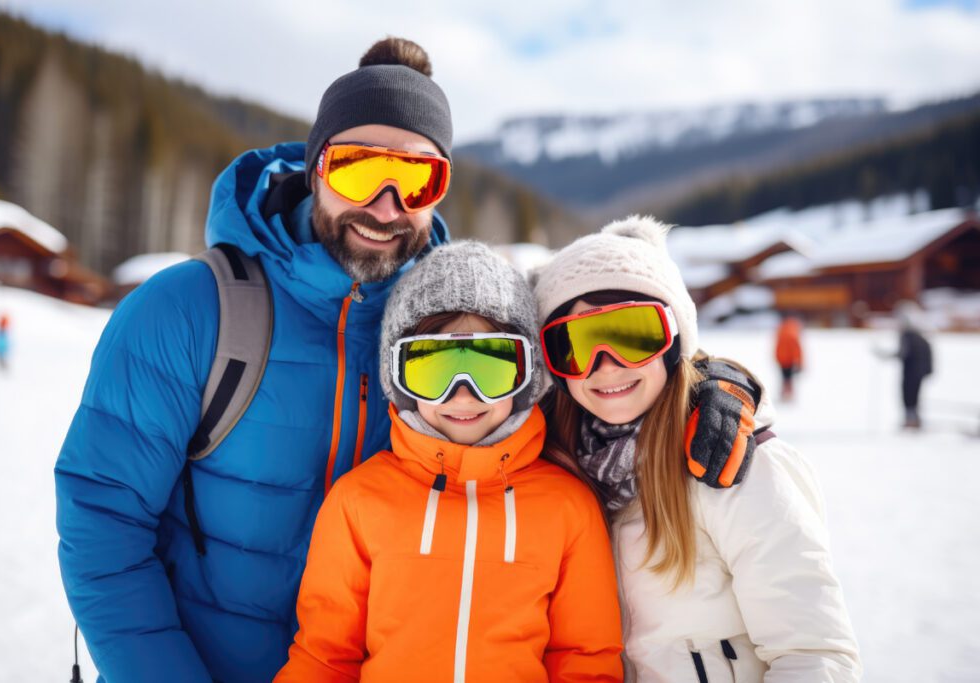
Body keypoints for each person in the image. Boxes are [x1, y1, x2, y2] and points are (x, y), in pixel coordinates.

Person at [55, 38, 456, 682]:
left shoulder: (454, 336)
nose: (386, 205)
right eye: (359, 169)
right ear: (316, 165)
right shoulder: (189, 311)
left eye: (418, 177)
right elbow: (104, 523)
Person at [275, 241, 624, 682]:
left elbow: (586, 659)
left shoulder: (566, 506)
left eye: (491, 366)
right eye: (433, 369)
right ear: (398, 380)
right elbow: (325, 657)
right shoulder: (360, 500)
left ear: (527, 376)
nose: (462, 394)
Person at [532, 216, 861, 682]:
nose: (605, 366)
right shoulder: (557, 467)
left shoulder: (735, 466)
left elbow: (813, 655)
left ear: (675, 340)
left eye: (632, 335)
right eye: (572, 345)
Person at [882, 300, 933, 430]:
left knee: (908, 396)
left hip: (911, 373)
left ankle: (911, 420)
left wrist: (886, 356)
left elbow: (903, 353)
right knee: (914, 396)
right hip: (918, 373)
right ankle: (914, 419)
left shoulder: (908, 336)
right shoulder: (920, 336)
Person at [775, 313, 803, 402]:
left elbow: (777, 346)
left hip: (781, 359)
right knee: (789, 379)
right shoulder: (793, 332)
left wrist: (777, 357)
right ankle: (788, 395)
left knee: (784, 378)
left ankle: (784, 394)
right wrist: (799, 362)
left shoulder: (781, 330)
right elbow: (797, 349)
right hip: (790, 360)